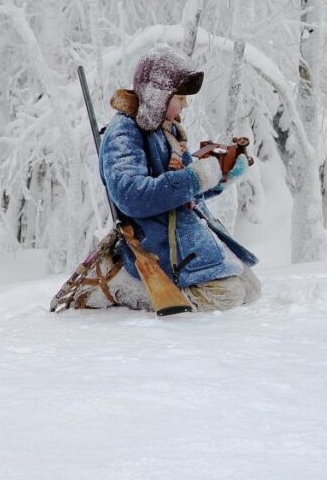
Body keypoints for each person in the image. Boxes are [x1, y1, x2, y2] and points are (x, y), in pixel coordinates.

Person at [79, 45, 261, 312]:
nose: (185, 104)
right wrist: (197, 177)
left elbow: (187, 187)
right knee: (228, 295)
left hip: (181, 232)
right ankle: (125, 287)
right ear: (158, 96)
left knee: (251, 289)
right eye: (180, 97)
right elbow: (132, 195)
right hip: (156, 239)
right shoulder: (123, 133)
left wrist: (222, 175)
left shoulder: (167, 129)